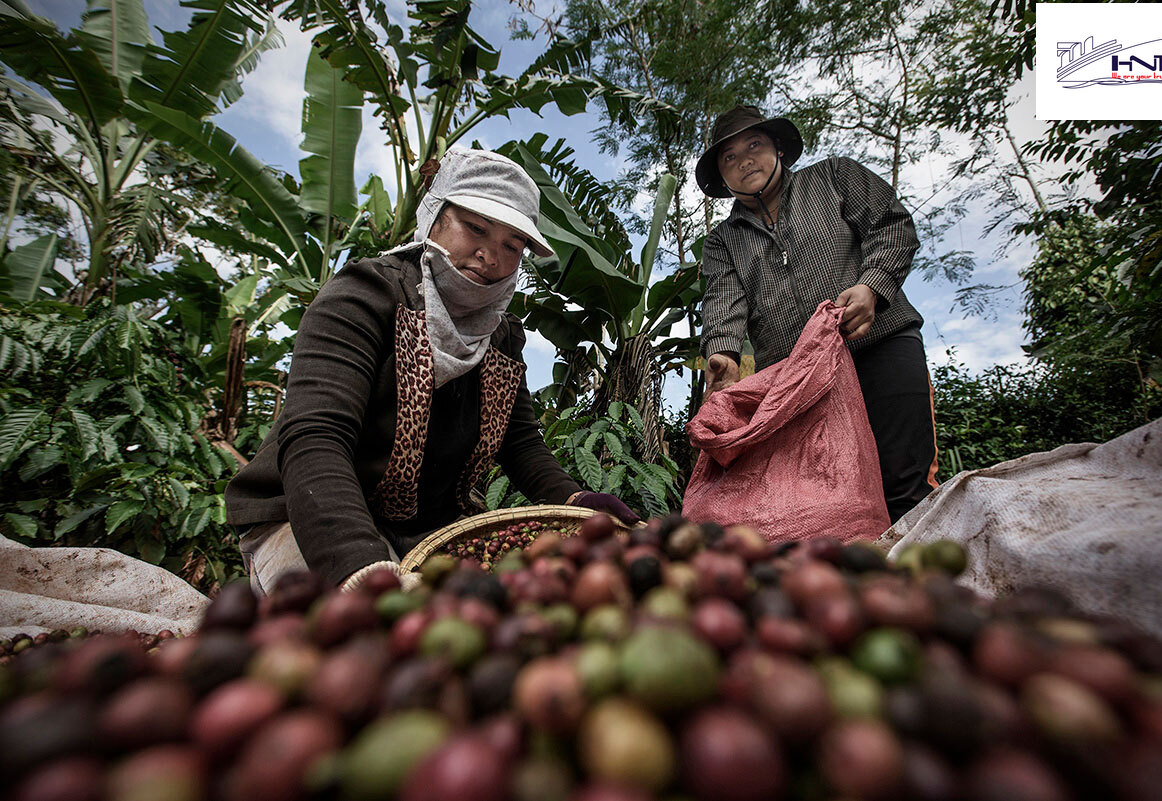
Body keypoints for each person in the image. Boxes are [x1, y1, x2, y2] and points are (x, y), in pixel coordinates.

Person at [225, 147, 638, 593]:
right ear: (434, 218)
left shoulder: (502, 336)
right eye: (475, 228)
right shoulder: (364, 297)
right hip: (310, 518)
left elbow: (519, 444)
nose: (490, 256)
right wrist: (360, 566)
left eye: (512, 246)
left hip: (430, 531)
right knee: (357, 638)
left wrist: (575, 501)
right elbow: (316, 436)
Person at [694, 105, 938, 523]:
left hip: (882, 344)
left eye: (754, 145)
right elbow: (723, 301)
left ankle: (919, 583)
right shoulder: (723, 240)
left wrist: (872, 286)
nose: (744, 161)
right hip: (800, 380)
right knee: (822, 497)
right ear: (721, 175)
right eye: (729, 157)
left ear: (779, 150)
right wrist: (724, 354)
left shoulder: (835, 177)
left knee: (905, 484)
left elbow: (893, 226)